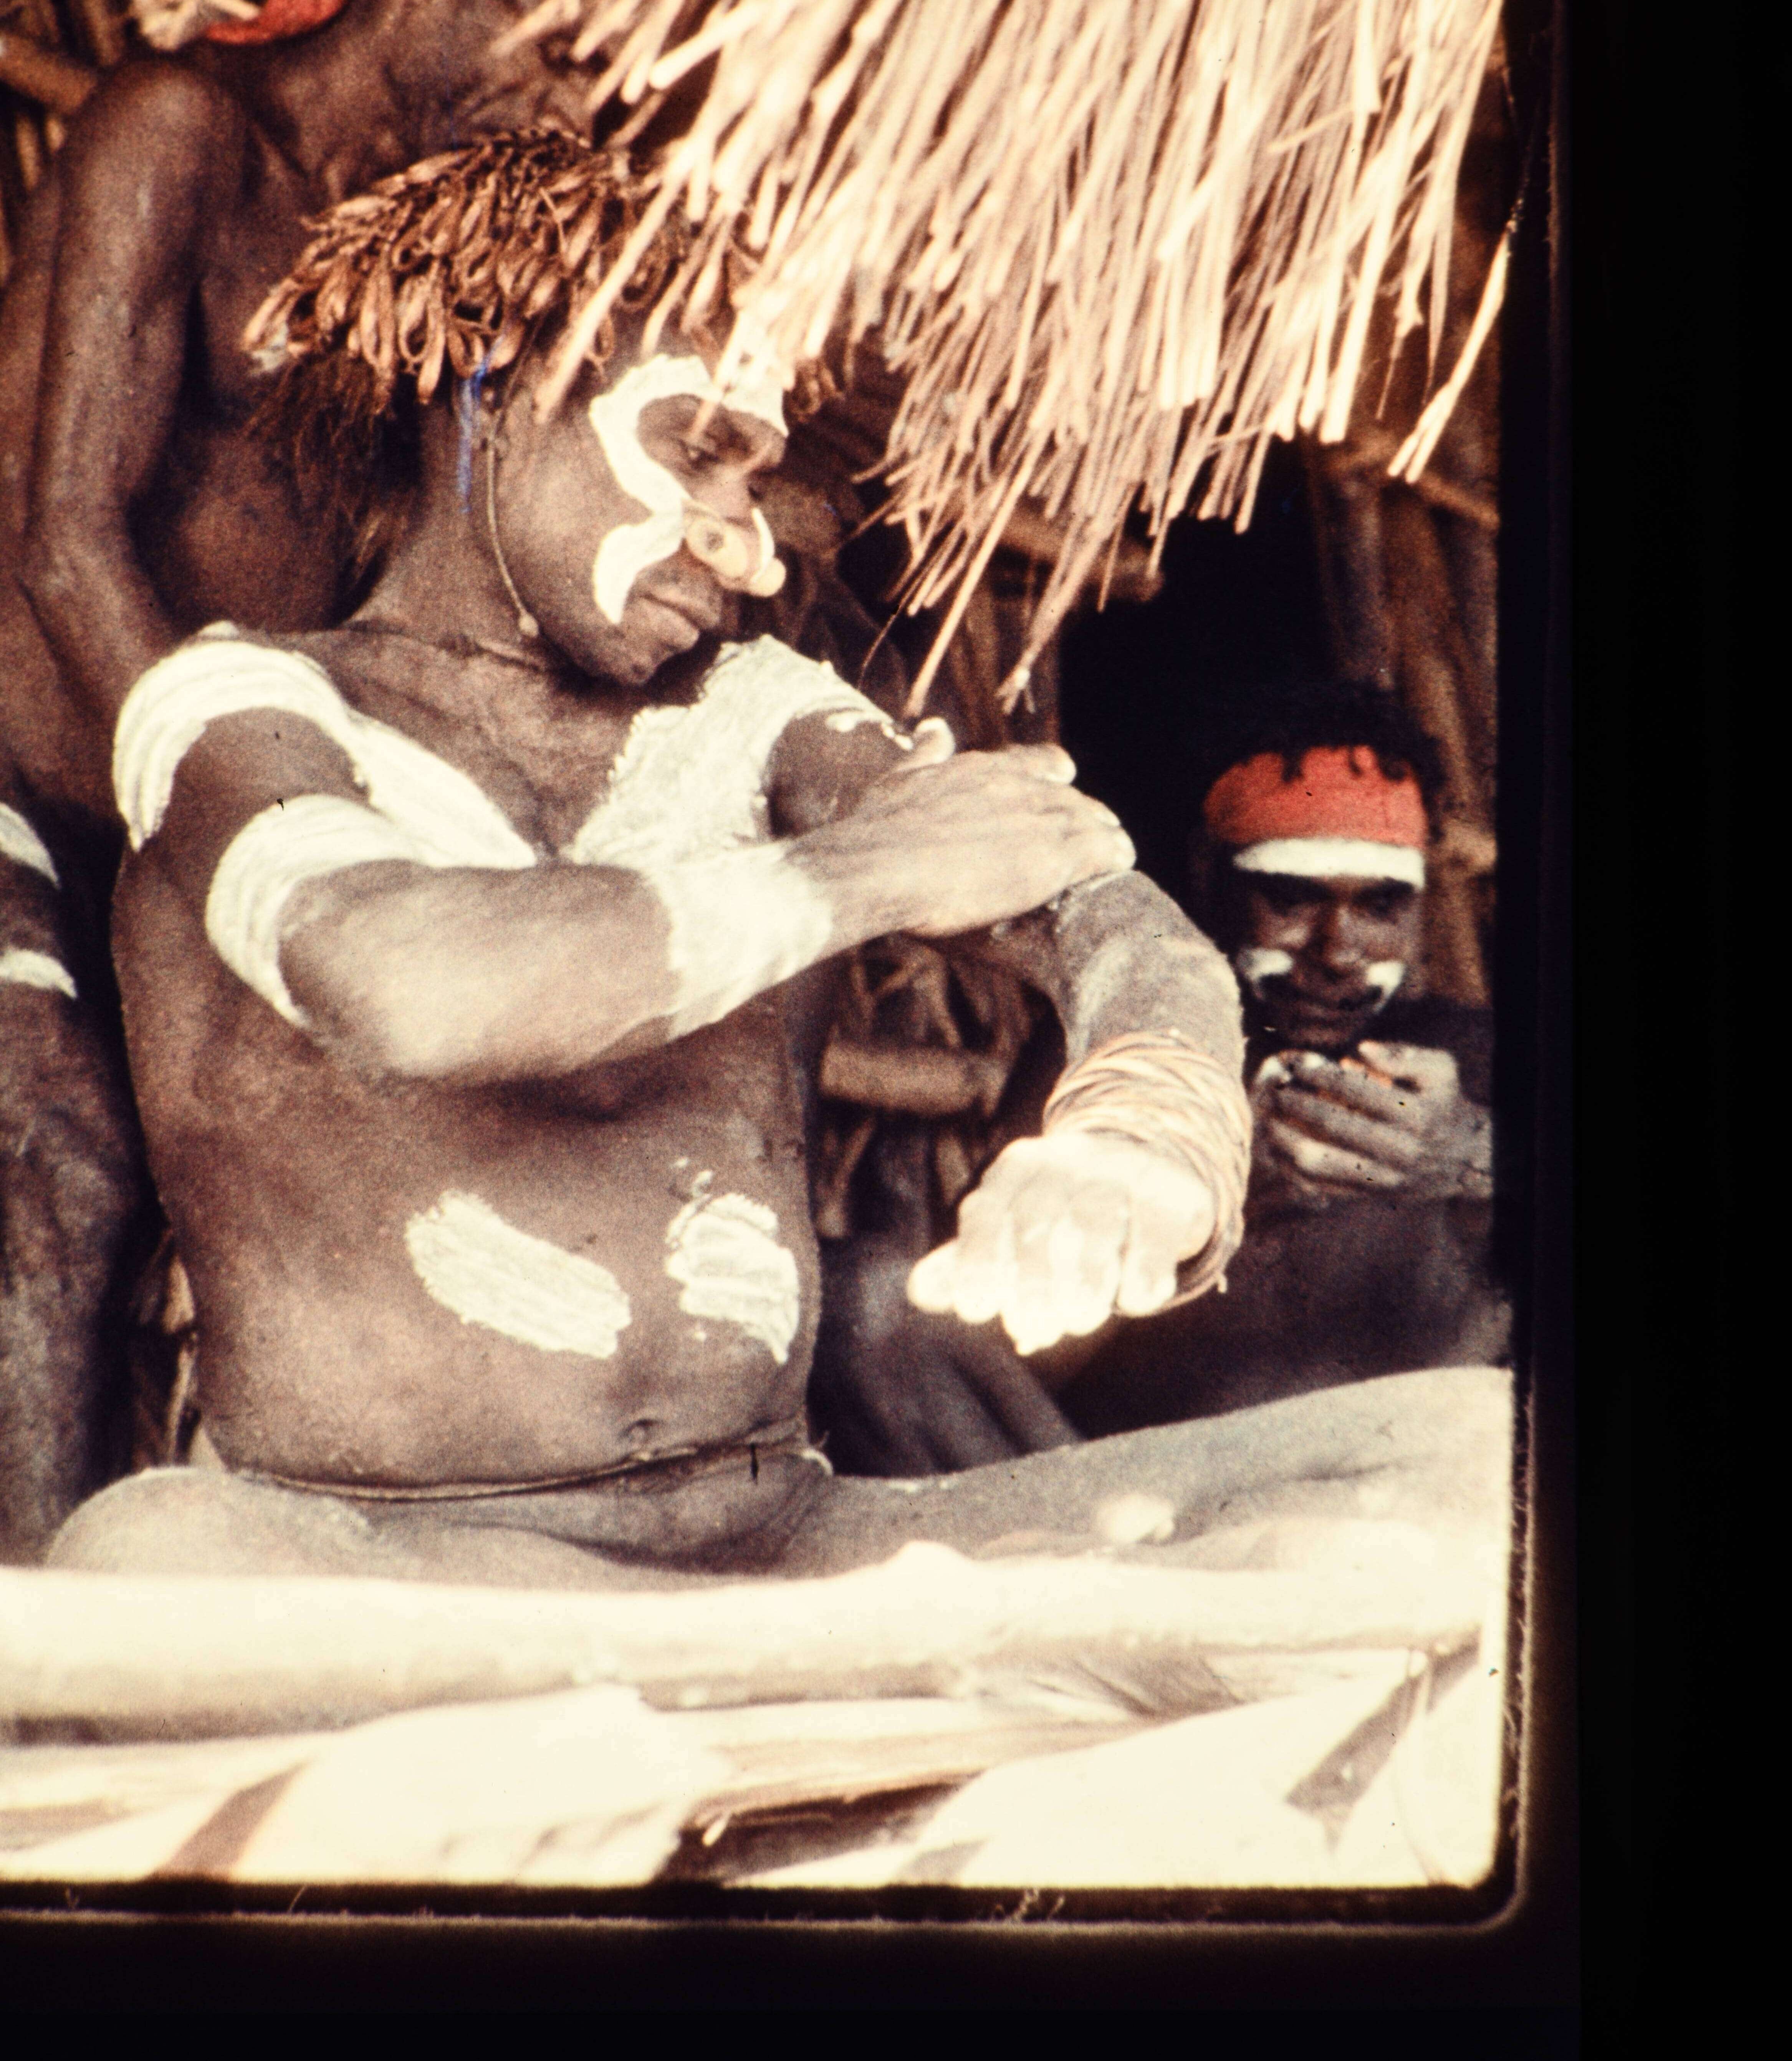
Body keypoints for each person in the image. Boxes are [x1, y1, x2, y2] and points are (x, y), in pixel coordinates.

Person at [48, 155, 1507, 1588]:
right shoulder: (238, 712)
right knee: (153, 1558)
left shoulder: (755, 715)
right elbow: (403, 980)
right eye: (697, 453)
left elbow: (1116, 919)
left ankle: (730, 1679)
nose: (745, 554)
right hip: (395, 1566)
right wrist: (856, 875)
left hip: (775, 1546)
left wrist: (1141, 1138)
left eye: (755, 482)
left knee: (1463, 1455)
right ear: (485, 385)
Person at [0, 0, 615, 1560]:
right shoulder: (179, 128)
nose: (574, 106)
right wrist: (247, 837)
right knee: (63, 1156)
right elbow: (62, 543)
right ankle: (42, 1666)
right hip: (42, 780)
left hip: (167, 818)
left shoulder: (412, 244)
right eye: (564, 47)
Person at [1058, 680, 1509, 1435]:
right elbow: (1006, 1354)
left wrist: (1467, 1156)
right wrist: (1202, 1196)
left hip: (1390, 1482)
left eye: (1380, 905)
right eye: (1292, 898)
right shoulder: (1121, 1052)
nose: (1337, 951)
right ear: (1210, 876)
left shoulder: (1474, 1060)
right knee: (871, 1300)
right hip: (1121, 1483)